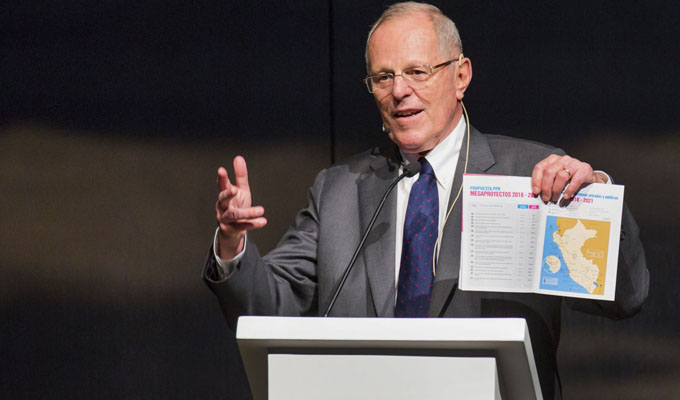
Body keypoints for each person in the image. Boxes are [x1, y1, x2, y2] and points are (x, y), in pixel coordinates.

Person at [203, 2, 649, 398]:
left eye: (417, 72)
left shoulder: (532, 175)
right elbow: (268, 308)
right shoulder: (338, 190)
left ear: (461, 76)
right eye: (383, 77)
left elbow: (624, 298)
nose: (399, 91)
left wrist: (593, 196)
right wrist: (232, 246)